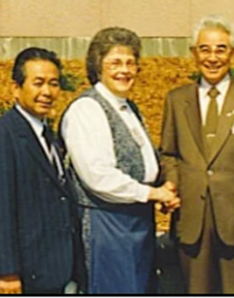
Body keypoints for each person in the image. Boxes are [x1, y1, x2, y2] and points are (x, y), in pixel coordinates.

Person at [160, 15, 234, 293]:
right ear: (194, 53)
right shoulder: (176, 100)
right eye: (205, 49)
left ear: (232, 53)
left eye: (220, 49)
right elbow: (169, 153)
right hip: (192, 219)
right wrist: (173, 185)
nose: (213, 58)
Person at [60, 27, 179, 294]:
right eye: (114, 63)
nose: (124, 70)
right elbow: (98, 176)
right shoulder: (87, 109)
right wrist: (151, 193)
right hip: (107, 224)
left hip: (137, 220)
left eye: (130, 63)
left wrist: (164, 189)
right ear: (98, 67)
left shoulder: (127, 107)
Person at [0, 47, 75, 295]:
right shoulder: (0, 137)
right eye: (38, 83)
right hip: (18, 280)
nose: (47, 92)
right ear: (16, 89)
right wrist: (7, 272)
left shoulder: (46, 135)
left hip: (49, 272)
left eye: (53, 84)